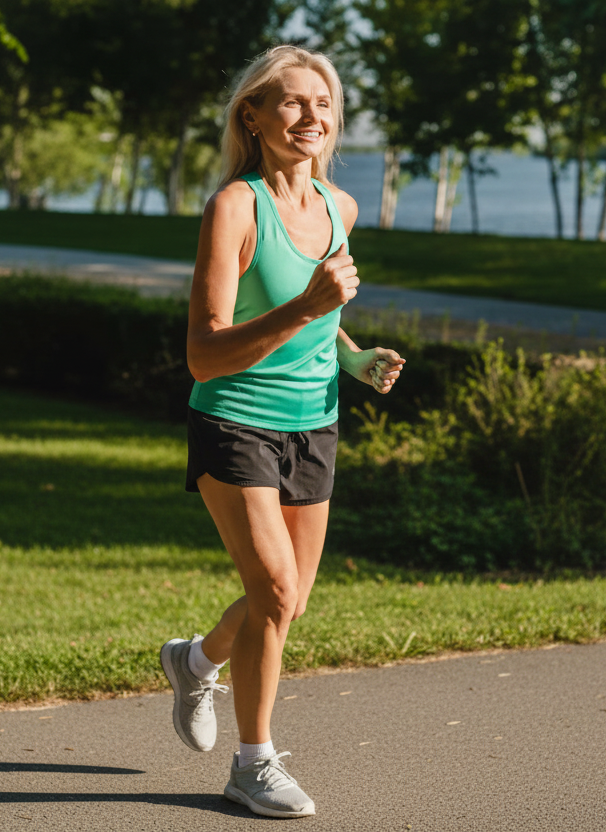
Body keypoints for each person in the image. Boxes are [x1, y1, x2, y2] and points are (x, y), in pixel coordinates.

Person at [160, 44, 404, 819]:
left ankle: (194, 662)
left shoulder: (340, 207)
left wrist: (355, 357)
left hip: (314, 422)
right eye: (293, 103)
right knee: (271, 590)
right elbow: (204, 351)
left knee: (288, 600)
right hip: (234, 418)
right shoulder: (234, 207)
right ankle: (252, 764)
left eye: (324, 103)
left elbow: (321, 315)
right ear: (254, 118)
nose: (312, 116)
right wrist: (305, 307)